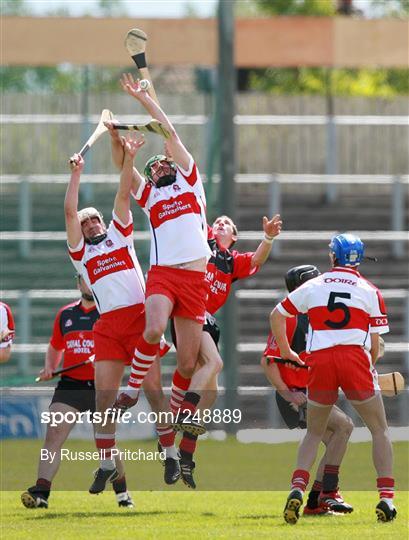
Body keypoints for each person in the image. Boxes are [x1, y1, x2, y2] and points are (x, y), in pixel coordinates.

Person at [270, 234, 396, 524]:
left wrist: (287, 351)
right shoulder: (370, 290)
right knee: (379, 429)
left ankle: (297, 489)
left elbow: (276, 315)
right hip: (354, 359)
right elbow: (374, 347)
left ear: (333, 257)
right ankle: (386, 499)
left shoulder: (313, 285)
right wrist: (369, 370)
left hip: (321, 360)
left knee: (314, 433)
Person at [114, 73, 211, 439]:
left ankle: (170, 423)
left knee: (187, 362)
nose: (158, 169)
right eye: (152, 169)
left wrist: (145, 101)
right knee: (154, 328)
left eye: (161, 164)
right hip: (164, 274)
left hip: (195, 279)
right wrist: (120, 145)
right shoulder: (151, 197)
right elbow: (125, 177)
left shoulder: (190, 182)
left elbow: (169, 132)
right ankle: (132, 387)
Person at [65, 134, 163, 494]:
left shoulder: (119, 237)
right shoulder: (81, 255)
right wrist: (77, 174)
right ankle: (107, 463)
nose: (89, 224)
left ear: (103, 224)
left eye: (94, 221)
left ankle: (168, 450)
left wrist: (129, 159)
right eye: (85, 222)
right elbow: (68, 212)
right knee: (102, 400)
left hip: (139, 318)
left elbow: (124, 195)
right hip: (109, 327)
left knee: (153, 390)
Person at [173, 213, 282, 488]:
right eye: (218, 222)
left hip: (205, 318)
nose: (220, 224)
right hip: (190, 311)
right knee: (215, 363)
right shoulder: (204, 239)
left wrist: (268, 237)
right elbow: (194, 216)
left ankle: (185, 454)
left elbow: (257, 259)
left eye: (227, 224)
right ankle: (182, 413)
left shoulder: (231, 261)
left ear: (233, 237)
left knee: (209, 396)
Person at [20, 275, 134, 509]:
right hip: (70, 386)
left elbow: (125, 349)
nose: (90, 284)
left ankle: (122, 494)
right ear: (78, 283)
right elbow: (55, 345)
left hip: (102, 387)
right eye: (85, 280)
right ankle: (41, 492)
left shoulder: (109, 314)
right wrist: (51, 367)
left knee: (107, 444)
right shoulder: (66, 314)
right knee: (53, 436)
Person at [261, 265, 354, 515]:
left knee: (338, 434)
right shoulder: (289, 319)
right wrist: (289, 394)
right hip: (297, 395)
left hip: (311, 392)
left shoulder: (315, 317)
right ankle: (321, 495)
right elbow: (268, 362)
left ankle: (316, 499)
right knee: (344, 427)